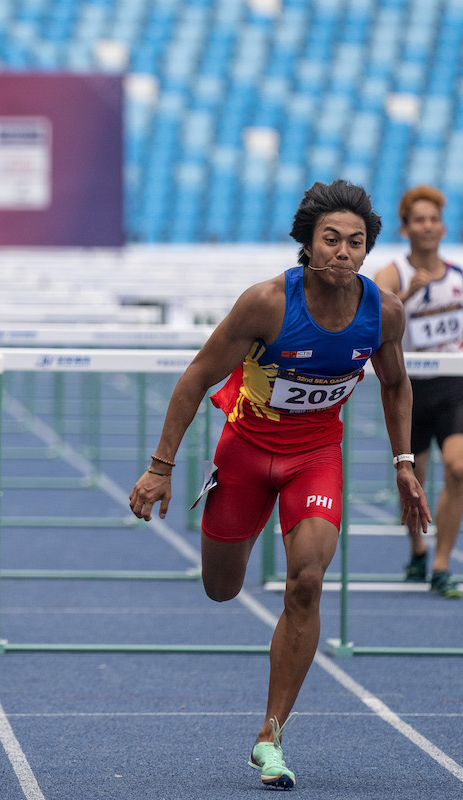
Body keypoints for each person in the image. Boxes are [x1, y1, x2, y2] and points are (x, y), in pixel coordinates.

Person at [128, 180, 430, 790]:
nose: (344, 252)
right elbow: (195, 378)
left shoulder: (384, 312)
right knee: (221, 588)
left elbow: (396, 386)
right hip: (244, 452)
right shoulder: (266, 304)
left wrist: (404, 463)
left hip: (315, 457)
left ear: (367, 250)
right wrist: (161, 466)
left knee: (307, 583)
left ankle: (269, 736)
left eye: (356, 242)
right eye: (332, 240)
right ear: (308, 245)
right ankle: (221, 511)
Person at [373, 185, 463, 598]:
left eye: (433, 219)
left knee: (458, 469)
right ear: (405, 228)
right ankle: (417, 550)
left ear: (443, 228)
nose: (427, 227)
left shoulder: (458, 278)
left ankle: (442, 565)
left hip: (453, 387)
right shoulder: (394, 273)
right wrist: (407, 296)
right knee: (414, 480)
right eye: (419, 220)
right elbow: (370, 316)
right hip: (407, 388)